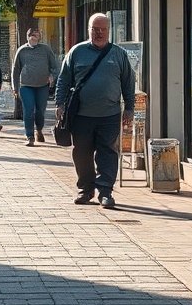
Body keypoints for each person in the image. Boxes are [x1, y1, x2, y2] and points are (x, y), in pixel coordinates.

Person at [55, 12, 135, 209]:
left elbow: (128, 82)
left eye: (103, 30)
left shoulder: (118, 54)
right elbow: (64, 79)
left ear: (109, 31)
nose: (99, 33)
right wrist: (60, 104)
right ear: (89, 30)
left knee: (107, 152)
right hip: (81, 115)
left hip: (110, 114)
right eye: (95, 29)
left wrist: (130, 108)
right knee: (81, 152)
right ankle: (86, 189)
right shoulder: (76, 52)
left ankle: (105, 191)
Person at [12, 27, 58, 146]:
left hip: (42, 85)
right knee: (28, 110)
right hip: (26, 85)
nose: (35, 37)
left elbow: (55, 67)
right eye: (33, 35)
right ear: (28, 37)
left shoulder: (45, 49)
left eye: (37, 35)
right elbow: (15, 69)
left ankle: (39, 129)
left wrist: (52, 76)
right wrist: (14, 87)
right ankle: (29, 136)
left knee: (40, 110)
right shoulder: (22, 50)